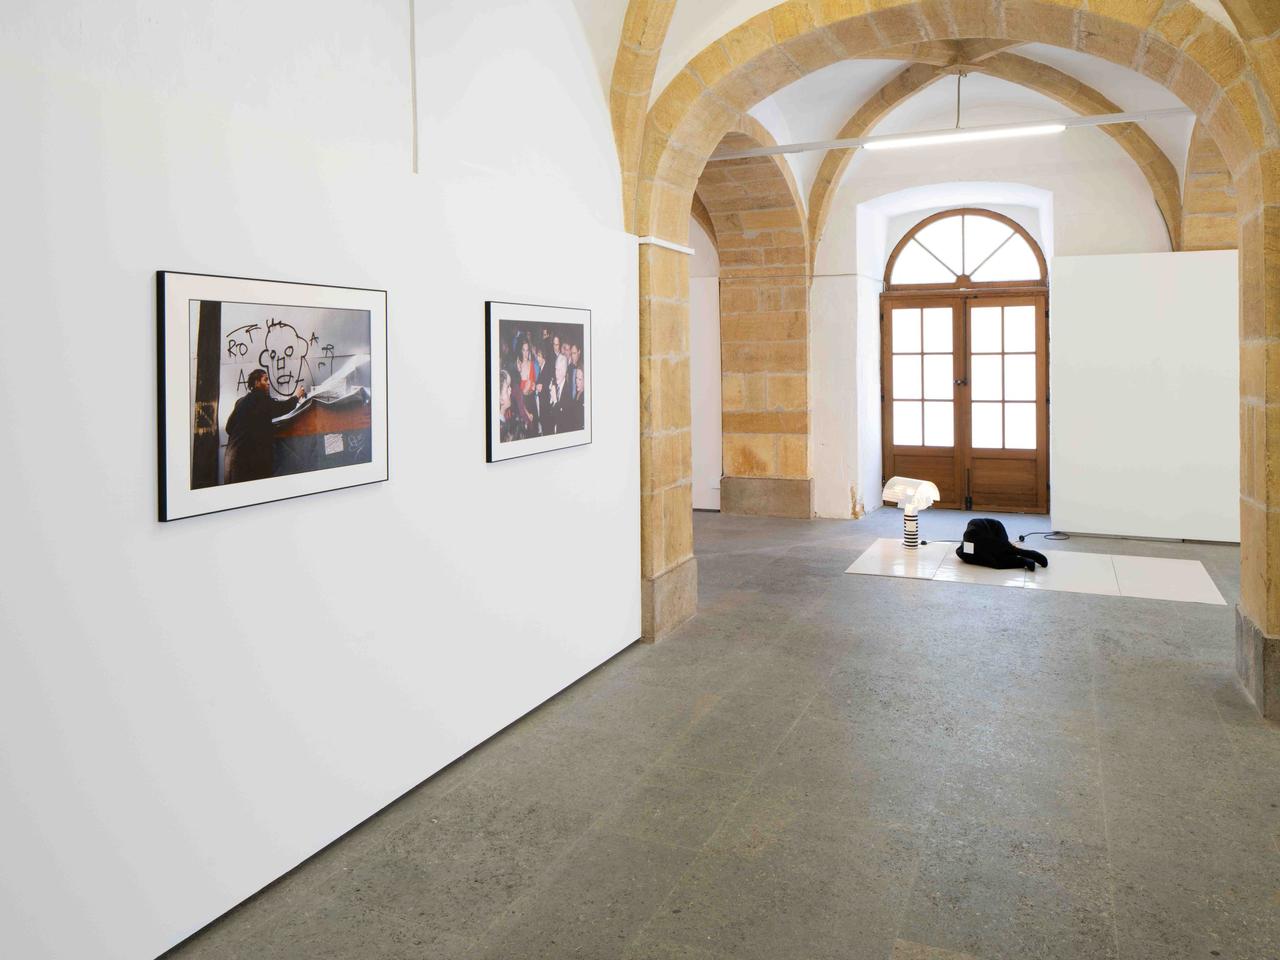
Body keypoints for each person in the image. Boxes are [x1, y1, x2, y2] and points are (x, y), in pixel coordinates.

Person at [224, 368, 306, 484]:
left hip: (231, 461)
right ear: (257, 383)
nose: (268, 383)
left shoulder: (241, 401)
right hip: (247, 464)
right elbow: (282, 407)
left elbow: (229, 428)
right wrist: (297, 396)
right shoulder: (260, 399)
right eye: (265, 380)